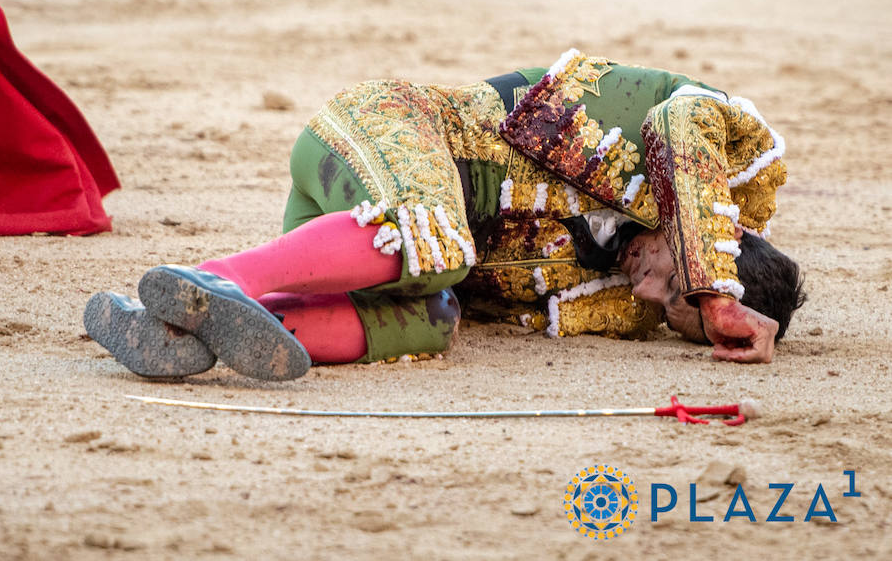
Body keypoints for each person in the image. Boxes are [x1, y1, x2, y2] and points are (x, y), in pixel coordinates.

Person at [85, 49, 806, 381]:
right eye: (676, 284)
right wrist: (716, 290)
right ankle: (214, 279)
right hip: (380, 133)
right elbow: (682, 128)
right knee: (447, 249)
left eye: (666, 310)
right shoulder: (717, 145)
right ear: (714, 228)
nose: (648, 295)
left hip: (341, 241)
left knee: (437, 316)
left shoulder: (612, 290)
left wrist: (695, 293)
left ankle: (193, 324)